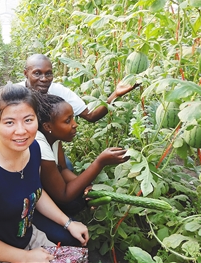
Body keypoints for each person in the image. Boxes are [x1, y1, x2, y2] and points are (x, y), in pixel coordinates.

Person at [0, 84, 89, 263]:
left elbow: (35, 192)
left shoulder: (33, 149)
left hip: (28, 238)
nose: (21, 131)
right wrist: (26, 257)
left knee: (78, 246)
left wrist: (68, 222)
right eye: (9, 122)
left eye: (28, 120)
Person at [0, 53, 138, 143]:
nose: (44, 79)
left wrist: (115, 94)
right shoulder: (13, 93)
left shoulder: (58, 90)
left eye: (48, 73)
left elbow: (91, 115)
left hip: (47, 148)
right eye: (37, 73)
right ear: (26, 73)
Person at [32, 94, 130, 246]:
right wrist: (100, 162)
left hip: (41, 192)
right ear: (47, 126)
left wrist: (85, 187)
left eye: (73, 118)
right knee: (73, 239)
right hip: (28, 206)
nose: (75, 124)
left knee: (78, 200)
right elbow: (63, 194)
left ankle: (62, 218)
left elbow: (63, 169)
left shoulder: (53, 137)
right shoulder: (39, 144)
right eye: (67, 120)